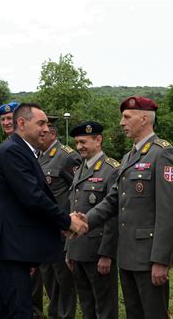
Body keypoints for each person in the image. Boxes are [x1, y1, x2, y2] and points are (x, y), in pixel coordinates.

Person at [0, 103, 88, 319]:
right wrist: (67, 222)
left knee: (3, 312)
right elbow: (33, 198)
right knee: (19, 312)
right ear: (22, 123)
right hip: (10, 250)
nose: (46, 129)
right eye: (40, 123)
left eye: (47, 124)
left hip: (13, 250)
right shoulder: (13, 151)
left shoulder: (20, 150)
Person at [81, 96, 173, 319]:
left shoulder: (163, 152)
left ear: (144, 119)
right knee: (134, 314)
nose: (121, 122)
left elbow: (169, 211)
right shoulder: (129, 156)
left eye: (127, 117)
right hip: (127, 255)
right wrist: (85, 220)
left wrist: (160, 260)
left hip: (148, 258)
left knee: (154, 314)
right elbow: (113, 199)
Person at [65, 121, 120, 319]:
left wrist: (107, 254)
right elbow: (74, 209)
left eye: (83, 142)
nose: (79, 147)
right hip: (78, 250)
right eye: (77, 143)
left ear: (98, 140)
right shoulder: (80, 169)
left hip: (98, 253)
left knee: (105, 308)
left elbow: (114, 214)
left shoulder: (111, 170)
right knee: (87, 306)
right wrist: (69, 250)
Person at [0, 100, 45, 318]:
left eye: (9, 118)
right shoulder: (10, 150)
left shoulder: (29, 148)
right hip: (13, 243)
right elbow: (27, 198)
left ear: (20, 121)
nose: (7, 122)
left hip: (20, 241)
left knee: (11, 304)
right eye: (3, 119)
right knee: (15, 305)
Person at [37, 117, 81, 319]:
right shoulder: (38, 156)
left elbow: (78, 192)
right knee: (49, 280)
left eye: (44, 133)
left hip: (61, 232)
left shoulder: (67, 157)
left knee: (64, 282)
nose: (40, 135)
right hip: (44, 232)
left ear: (53, 134)